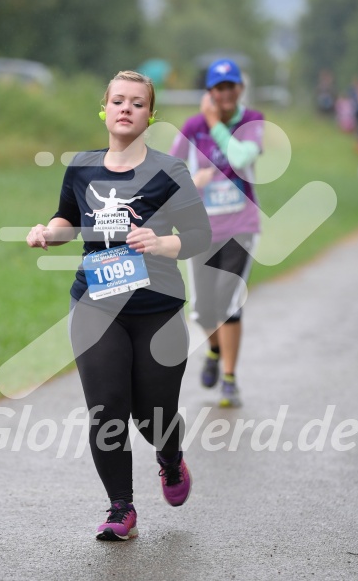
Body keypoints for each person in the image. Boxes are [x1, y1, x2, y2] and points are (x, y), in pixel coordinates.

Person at [26, 70, 211, 541]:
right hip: (96, 303)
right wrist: (49, 231)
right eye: (119, 101)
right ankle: (120, 508)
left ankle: (169, 458)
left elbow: (199, 236)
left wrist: (163, 241)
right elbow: (69, 217)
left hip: (157, 307)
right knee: (107, 409)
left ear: (151, 115)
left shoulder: (170, 171)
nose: (127, 108)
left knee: (154, 416)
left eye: (137, 103)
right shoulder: (82, 167)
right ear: (104, 109)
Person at [170, 58, 264, 408]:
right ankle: (213, 350)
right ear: (210, 91)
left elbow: (240, 157)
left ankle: (229, 378)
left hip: (241, 226)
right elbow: (170, 167)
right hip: (202, 227)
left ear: (239, 89)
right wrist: (192, 183)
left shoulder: (252, 121)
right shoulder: (192, 127)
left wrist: (214, 122)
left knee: (228, 302)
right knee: (204, 309)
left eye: (230, 87)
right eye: (218, 88)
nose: (225, 94)